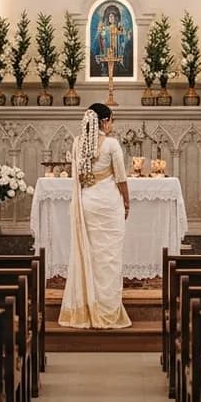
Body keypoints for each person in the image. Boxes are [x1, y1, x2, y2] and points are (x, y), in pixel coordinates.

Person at [58, 103, 133, 330]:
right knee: (109, 258)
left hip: (88, 201)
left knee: (90, 255)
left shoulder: (78, 142)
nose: (112, 125)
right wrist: (127, 203)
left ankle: (88, 306)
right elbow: (121, 178)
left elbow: (79, 177)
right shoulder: (111, 144)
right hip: (109, 204)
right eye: (111, 120)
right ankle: (108, 309)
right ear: (103, 121)